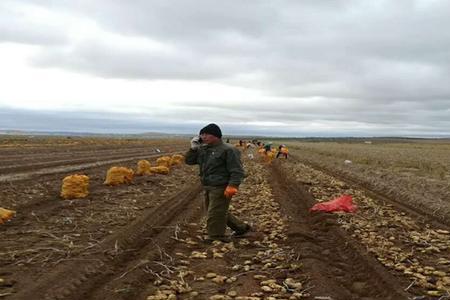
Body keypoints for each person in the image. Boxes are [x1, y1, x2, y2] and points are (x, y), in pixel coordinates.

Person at [185, 123, 251, 243]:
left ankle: (216, 237)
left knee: (215, 212)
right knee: (216, 210)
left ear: (216, 135)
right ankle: (241, 228)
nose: (203, 137)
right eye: (201, 134)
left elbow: (237, 170)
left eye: (206, 134)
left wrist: (232, 186)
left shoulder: (228, 150)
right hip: (208, 185)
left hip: (222, 186)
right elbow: (189, 161)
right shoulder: (203, 149)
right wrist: (193, 148)